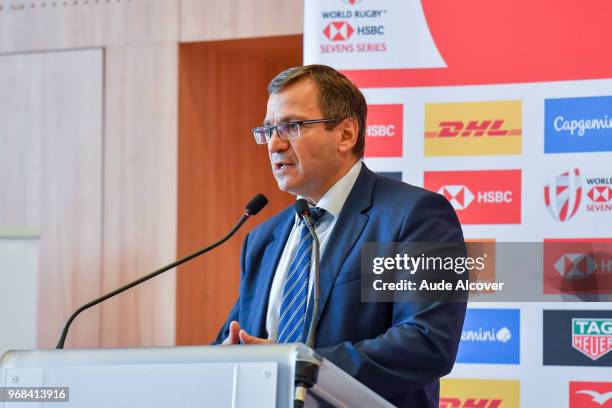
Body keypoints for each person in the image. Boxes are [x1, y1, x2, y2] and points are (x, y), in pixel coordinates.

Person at [213, 64, 466, 407]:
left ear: (346, 134)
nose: (273, 144)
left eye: (291, 126)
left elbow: (427, 343)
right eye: (268, 129)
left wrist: (297, 367)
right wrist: (225, 358)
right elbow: (233, 341)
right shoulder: (262, 239)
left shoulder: (418, 215)